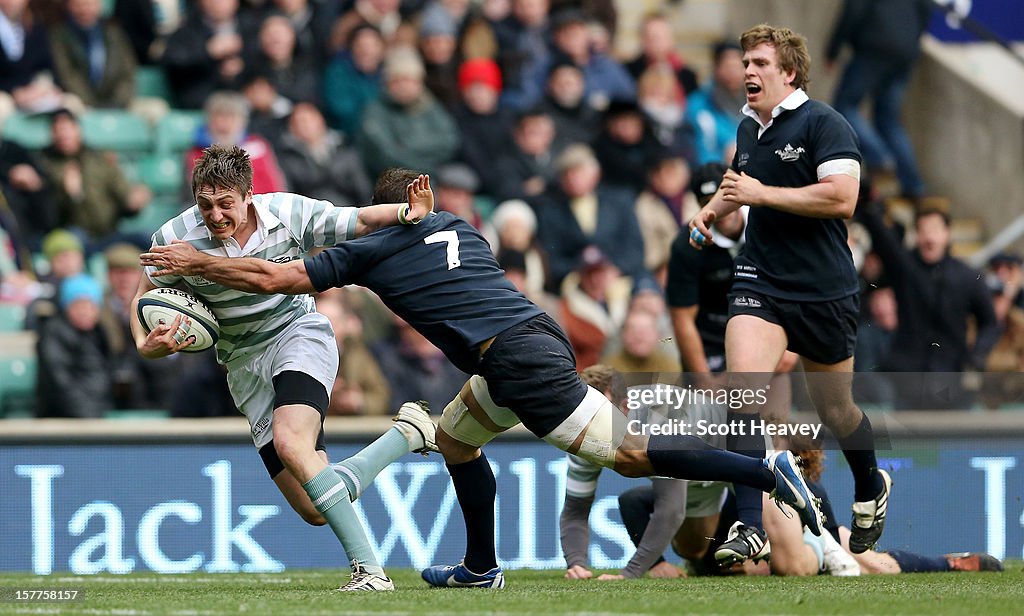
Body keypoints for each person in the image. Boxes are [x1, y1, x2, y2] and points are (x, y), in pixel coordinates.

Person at [141, 166, 826, 589]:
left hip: (519, 357)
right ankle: (480, 566)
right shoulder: (459, 224)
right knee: (457, 441)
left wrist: (196, 266)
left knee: (629, 455)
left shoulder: (373, 250)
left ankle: (767, 472)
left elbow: (278, 276)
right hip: (518, 343)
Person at [131, 144, 439, 592]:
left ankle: (371, 573)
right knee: (314, 507)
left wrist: (408, 213)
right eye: (205, 205)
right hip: (241, 364)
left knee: (291, 441)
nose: (214, 215)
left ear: (248, 195)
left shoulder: (288, 212)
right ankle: (404, 436)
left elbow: (359, 220)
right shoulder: (174, 236)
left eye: (225, 204)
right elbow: (143, 293)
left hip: (298, 334)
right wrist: (147, 345)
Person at [687, 24, 890, 563]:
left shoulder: (826, 122)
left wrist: (759, 194)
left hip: (824, 291)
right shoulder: (749, 126)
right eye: (744, 61)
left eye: (758, 63)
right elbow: (742, 176)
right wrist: (714, 210)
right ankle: (750, 524)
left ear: (789, 72)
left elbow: (843, 198)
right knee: (744, 391)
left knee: (838, 409)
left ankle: (870, 484)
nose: (747, 71)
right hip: (761, 279)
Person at [826, 0, 931, 199]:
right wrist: (909, 39)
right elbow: (926, 9)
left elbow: (854, 10)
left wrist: (833, 50)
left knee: (844, 108)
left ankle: (880, 158)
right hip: (906, 50)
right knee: (888, 119)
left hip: (874, 46)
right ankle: (914, 185)